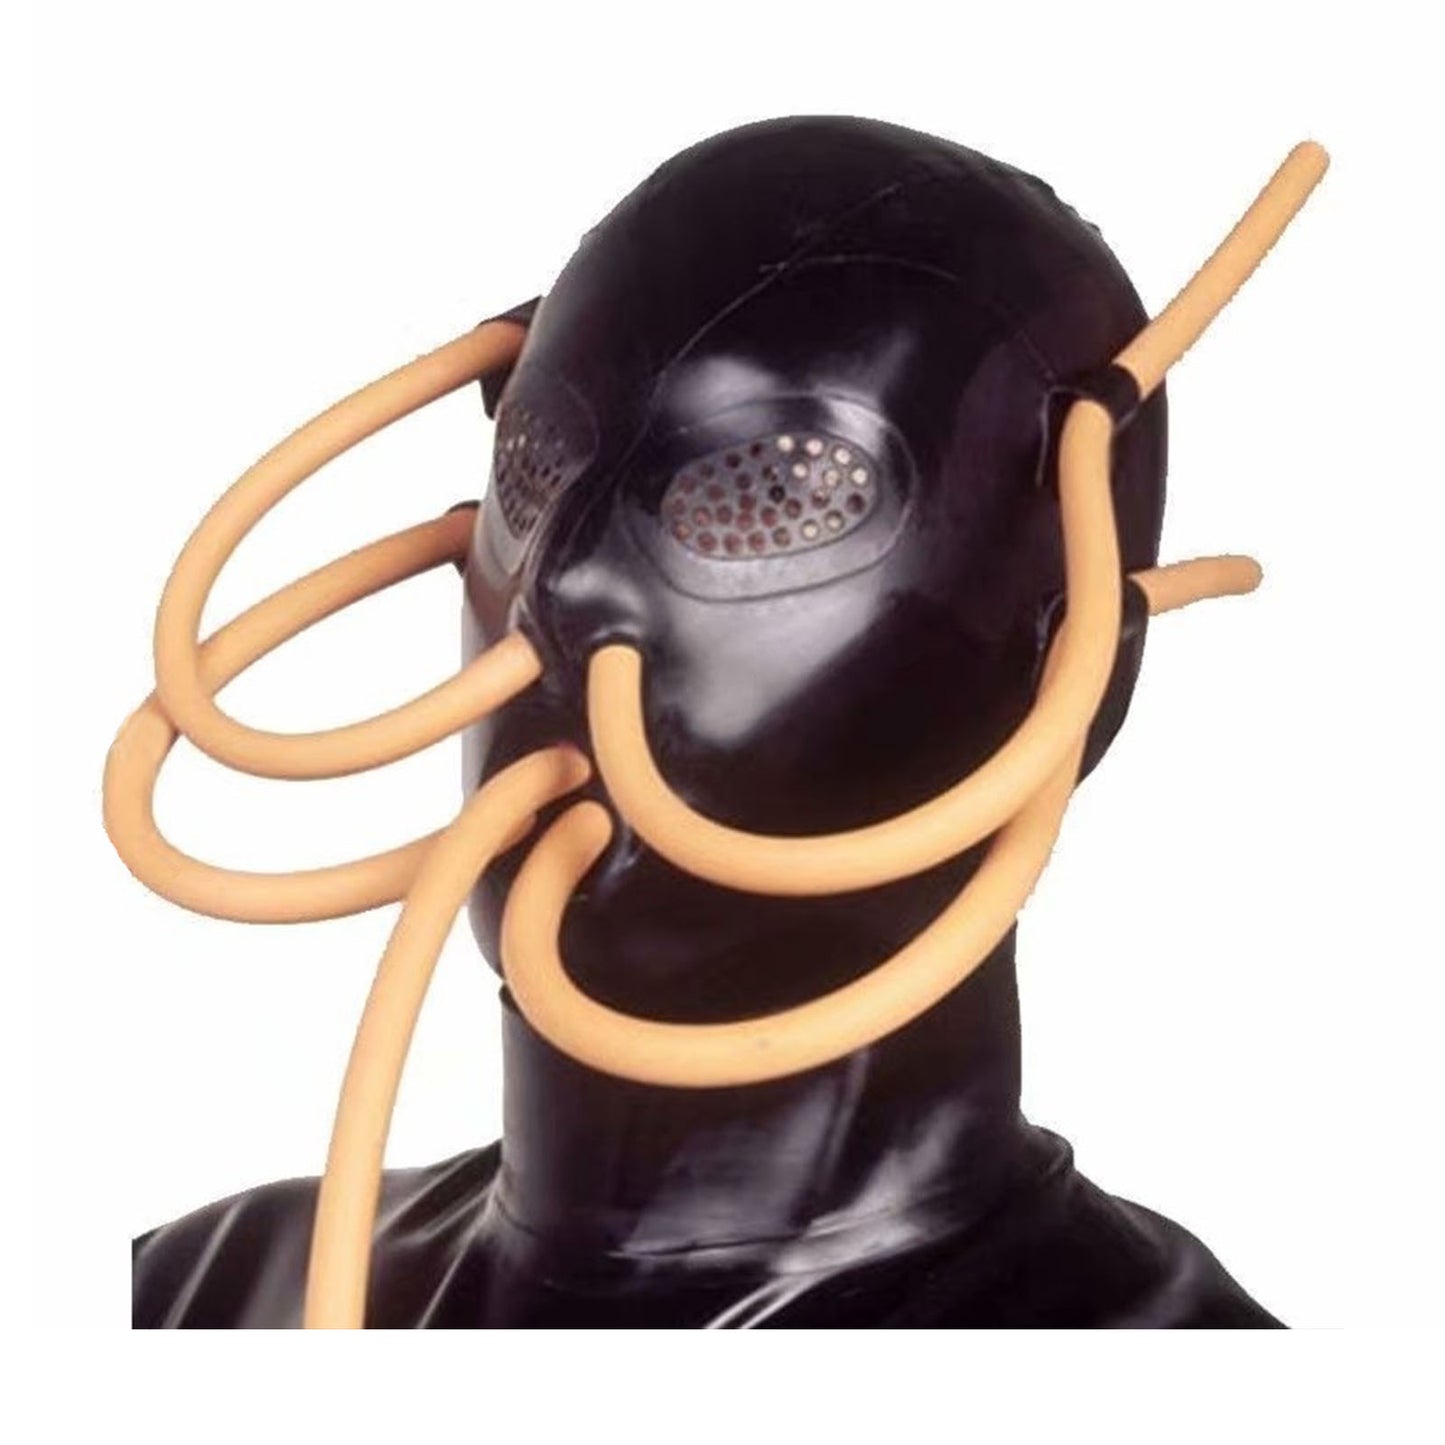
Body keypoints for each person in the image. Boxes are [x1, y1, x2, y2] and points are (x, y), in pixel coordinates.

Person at [127, 117, 1322, 1326]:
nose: (563, 582)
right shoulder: (194, 1292)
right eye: (533, 468)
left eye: (773, 491)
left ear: (1082, 669)